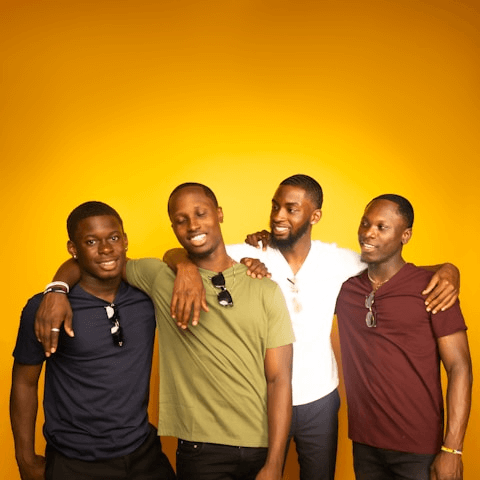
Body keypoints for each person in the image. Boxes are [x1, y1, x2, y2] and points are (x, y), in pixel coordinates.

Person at [163, 174, 461, 480]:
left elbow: (395, 268)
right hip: (262, 399)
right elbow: (187, 251)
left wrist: (448, 270)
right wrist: (184, 267)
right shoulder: (246, 255)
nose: (278, 216)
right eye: (275, 206)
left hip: (320, 400)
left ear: (314, 216)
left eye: (291, 209)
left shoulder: (340, 260)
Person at [34, 184, 295, 480]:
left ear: (219, 214)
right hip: (200, 449)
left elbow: (279, 379)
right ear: (173, 227)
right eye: (181, 220)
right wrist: (57, 288)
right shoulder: (158, 277)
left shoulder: (264, 287)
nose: (192, 225)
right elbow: (98, 260)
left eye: (201, 213)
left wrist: (275, 463)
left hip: (260, 444)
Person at [10, 201, 175, 480]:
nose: (106, 249)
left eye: (113, 238)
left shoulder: (147, 296)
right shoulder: (46, 309)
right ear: (72, 249)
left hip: (143, 453)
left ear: (125, 241)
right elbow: (24, 383)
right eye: (91, 241)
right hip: (74, 461)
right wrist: (24, 459)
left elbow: (178, 259)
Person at [335, 194, 472, 480]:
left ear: (405, 235)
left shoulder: (434, 289)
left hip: (419, 448)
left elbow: (459, 368)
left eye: (382, 227)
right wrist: (261, 249)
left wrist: (453, 449)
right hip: (365, 443)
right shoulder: (346, 290)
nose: (368, 233)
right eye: (365, 223)